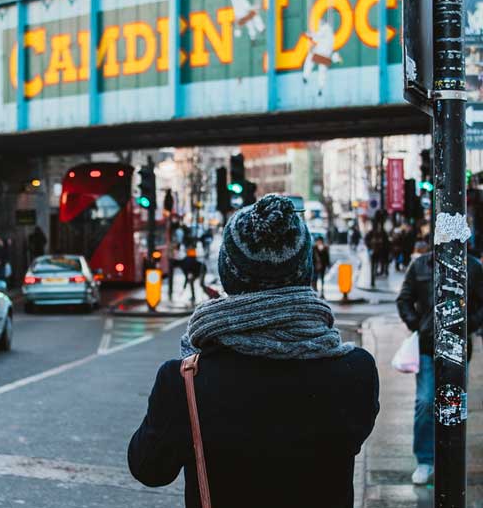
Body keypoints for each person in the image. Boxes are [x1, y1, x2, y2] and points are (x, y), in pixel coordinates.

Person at [128, 195, 379, 507]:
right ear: (304, 270)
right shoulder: (357, 371)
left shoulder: (185, 381)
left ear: (228, 274)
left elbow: (149, 469)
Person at [396, 248, 483, 485]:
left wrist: (470, 324)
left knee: (452, 404)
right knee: (425, 400)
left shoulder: (473, 266)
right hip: (426, 347)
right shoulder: (420, 265)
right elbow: (404, 299)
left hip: (458, 348)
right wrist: (418, 326)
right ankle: (425, 460)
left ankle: (450, 456)